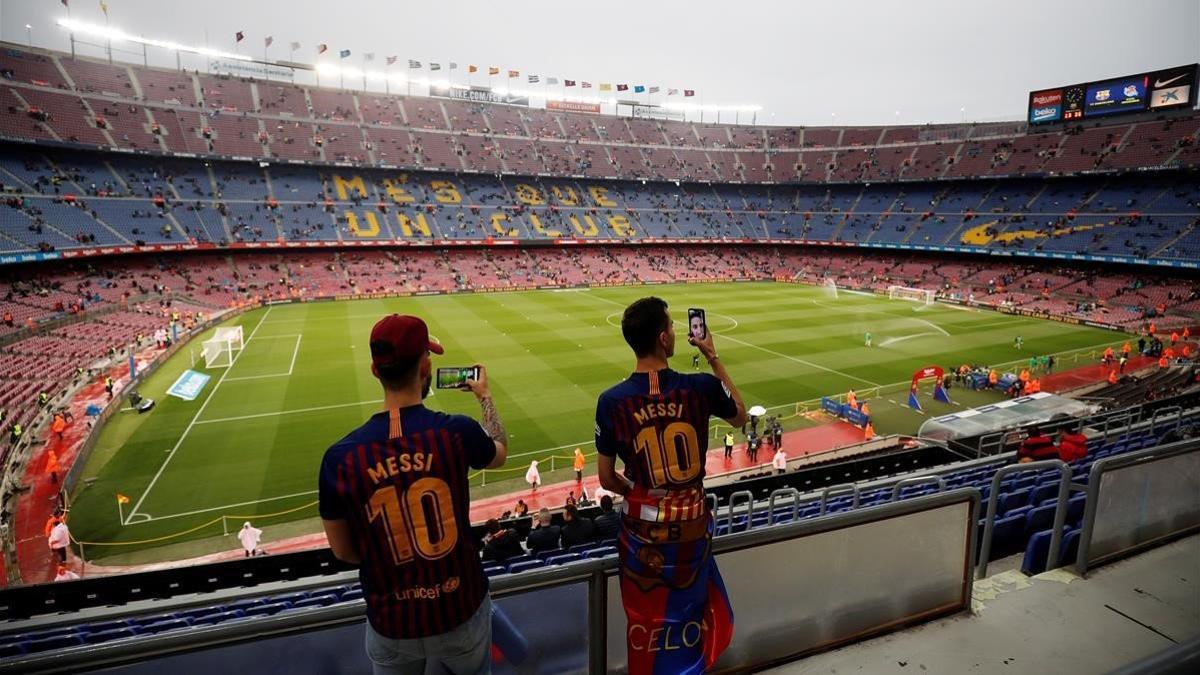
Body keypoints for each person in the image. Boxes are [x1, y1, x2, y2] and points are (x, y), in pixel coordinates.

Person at [318, 314, 508, 674]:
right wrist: (485, 398)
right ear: (426, 366)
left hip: (393, 622)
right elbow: (498, 448)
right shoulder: (455, 432)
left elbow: (344, 551)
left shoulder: (340, 458)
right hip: (459, 610)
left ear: (376, 371)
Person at [594, 297, 745, 672]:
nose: (678, 332)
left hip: (642, 540)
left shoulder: (611, 402)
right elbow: (741, 417)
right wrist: (712, 355)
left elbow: (606, 478)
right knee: (690, 626)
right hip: (692, 533)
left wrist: (642, 494)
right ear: (663, 339)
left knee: (647, 629)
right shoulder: (700, 388)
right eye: (673, 327)